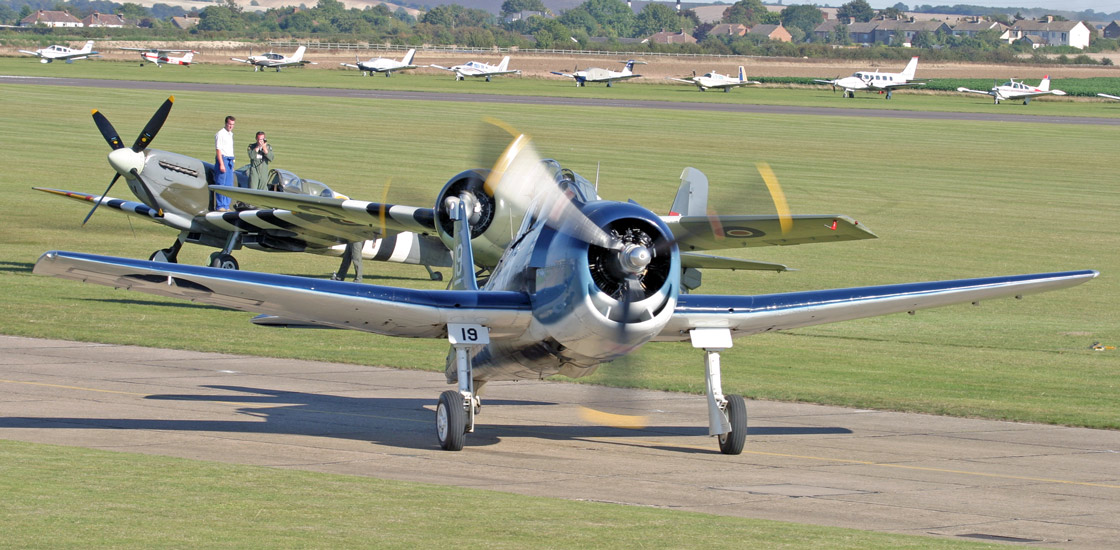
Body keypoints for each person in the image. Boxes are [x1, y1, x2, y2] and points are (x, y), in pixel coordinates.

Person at [213, 115, 236, 211]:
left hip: (230, 159)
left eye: (233, 124)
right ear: (226, 123)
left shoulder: (230, 134)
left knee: (229, 184)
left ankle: (226, 205)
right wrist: (221, 163)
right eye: (229, 124)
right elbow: (218, 150)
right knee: (221, 183)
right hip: (223, 159)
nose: (231, 126)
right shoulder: (220, 134)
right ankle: (220, 205)